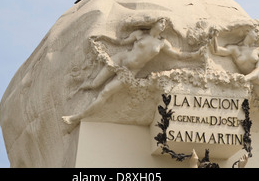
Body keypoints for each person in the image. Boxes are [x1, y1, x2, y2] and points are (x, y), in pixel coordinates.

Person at [63, 18, 204, 128]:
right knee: (95, 84)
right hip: (119, 59)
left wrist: (197, 54)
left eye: (164, 24)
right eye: (160, 22)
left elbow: (178, 56)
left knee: (105, 93)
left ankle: (76, 118)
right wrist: (104, 38)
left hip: (129, 73)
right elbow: (120, 42)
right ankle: (77, 90)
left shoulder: (162, 43)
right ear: (153, 23)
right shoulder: (139, 34)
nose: (162, 25)